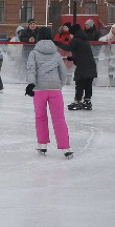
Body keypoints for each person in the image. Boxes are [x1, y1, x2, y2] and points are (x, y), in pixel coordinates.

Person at [25, 27, 72, 158]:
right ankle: (65, 147)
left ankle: (42, 144)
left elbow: (31, 69)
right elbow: (63, 71)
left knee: (40, 116)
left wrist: (31, 84)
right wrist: (60, 84)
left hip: (39, 89)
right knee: (59, 118)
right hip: (55, 89)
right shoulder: (56, 53)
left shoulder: (34, 53)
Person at [55, 25, 98, 111]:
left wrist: (57, 42)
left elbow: (68, 48)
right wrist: (73, 58)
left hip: (83, 66)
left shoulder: (76, 40)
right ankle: (87, 100)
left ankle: (77, 101)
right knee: (88, 84)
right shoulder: (84, 39)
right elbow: (83, 53)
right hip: (90, 65)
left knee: (79, 83)